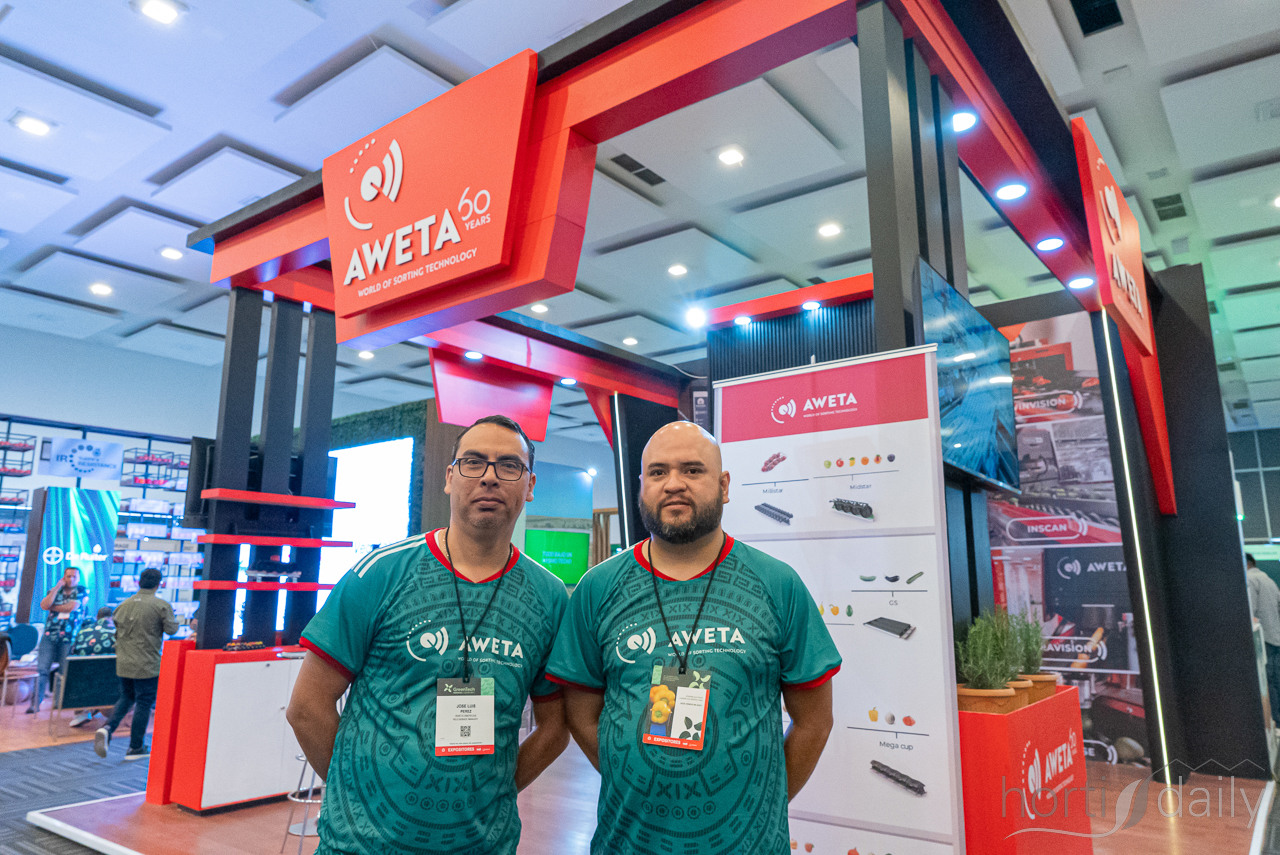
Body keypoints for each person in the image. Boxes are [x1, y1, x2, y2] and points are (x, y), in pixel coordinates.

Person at [546, 421, 842, 855]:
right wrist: (630, 775)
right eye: (658, 472)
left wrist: (760, 804)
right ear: (642, 485)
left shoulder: (778, 584)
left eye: (692, 470)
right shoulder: (599, 588)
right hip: (627, 842)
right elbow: (581, 713)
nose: (674, 484)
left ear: (724, 486)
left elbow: (815, 721)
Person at [286, 414, 570, 855]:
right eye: (473, 462)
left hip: (483, 846)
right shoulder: (381, 573)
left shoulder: (548, 597)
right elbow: (307, 707)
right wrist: (355, 794)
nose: (489, 477)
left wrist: (497, 792)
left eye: (509, 465)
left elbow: (556, 726)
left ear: (529, 485)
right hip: (363, 846)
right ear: (449, 477)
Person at [94, 567, 177, 760]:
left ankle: (108, 728)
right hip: (147, 663)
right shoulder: (161, 605)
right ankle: (135, 747)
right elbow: (171, 630)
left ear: (139, 582)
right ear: (158, 584)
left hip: (124, 662)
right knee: (144, 702)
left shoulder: (122, 605)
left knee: (127, 697)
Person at [28, 566, 87, 714]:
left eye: (74, 576)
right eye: (68, 576)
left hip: (69, 638)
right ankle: (35, 704)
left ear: (78, 578)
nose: (71, 579)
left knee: (63, 672)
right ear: (63, 577)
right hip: (50, 635)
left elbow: (72, 607)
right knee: (42, 670)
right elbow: (44, 605)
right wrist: (56, 588)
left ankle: (58, 703)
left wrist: (53, 607)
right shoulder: (55, 590)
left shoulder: (82, 591)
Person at [1246, 553, 1280, 725]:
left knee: (1268, 682)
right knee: (1276, 680)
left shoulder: (1250, 580)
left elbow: (1249, 611)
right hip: (1275, 637)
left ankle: (1276, 721)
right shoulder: (1269, 581)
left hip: (1263, 639)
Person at [69, 606, 116, 728]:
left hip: (81, 684)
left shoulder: (82, 632)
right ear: (113, 618)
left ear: (97, 617)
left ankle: (81, 713)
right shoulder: (116, 632)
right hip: (109, 684)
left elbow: (72, 653)